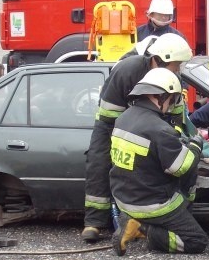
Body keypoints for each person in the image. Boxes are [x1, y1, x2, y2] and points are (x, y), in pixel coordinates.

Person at [81, 33, 193, 242]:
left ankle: (160, 216)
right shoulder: (128, 71)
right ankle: (94, 222)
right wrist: (130, 134)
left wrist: (174, 138)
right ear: (158, 60)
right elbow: (108, 115)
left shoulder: (173, 79)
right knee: (99, 160)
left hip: (148, 128)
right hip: (113, 125)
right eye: (176, 65)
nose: (178, 70)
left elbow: (176, 118)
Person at [109, 68, 208, 255]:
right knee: (196, 241)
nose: (172, 106)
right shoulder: (159, 129)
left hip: (124, 197)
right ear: (160, 97)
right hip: (152, 204)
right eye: (172, 100)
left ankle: (134, 221)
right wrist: (196, 145)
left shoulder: (123, 119)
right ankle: (144, 229)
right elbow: (180, 167)